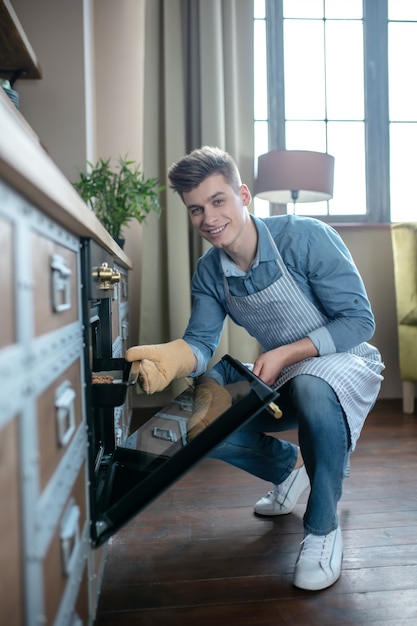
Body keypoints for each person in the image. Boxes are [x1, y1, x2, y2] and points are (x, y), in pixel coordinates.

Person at [126, 146, 384, 591]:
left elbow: (360, 322)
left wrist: (286, 353)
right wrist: (173, 359)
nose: (208, 218)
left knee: (313, 383)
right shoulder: (210, 271)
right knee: (196, 413)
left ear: (243, 195)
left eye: (218, 201)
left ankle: (323, 531)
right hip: (279, 375)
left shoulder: (304, 238)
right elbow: (201, 343)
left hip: (343, 363)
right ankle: (288, 470)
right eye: (195, 210)